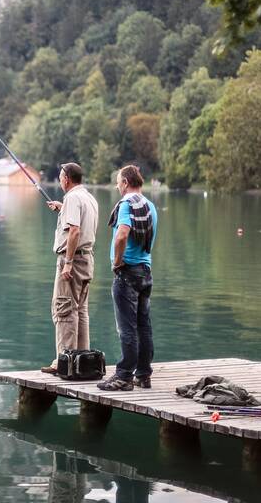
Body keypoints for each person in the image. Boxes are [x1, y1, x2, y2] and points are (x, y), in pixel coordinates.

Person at [97, 164, 158, 392]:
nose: (116, 185)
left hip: (128, 273)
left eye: (118, 181)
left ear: (125, 183)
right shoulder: (150, 206)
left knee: (127, 328)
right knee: (144, 326)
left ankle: (123, 376)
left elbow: (122, 234)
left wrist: (117, 261)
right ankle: (143, 375)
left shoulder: (126, 204)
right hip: (145, 272)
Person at [40, 162, 99, 375]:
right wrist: (62, 208)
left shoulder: (72, 198)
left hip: (72, 260)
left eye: (60, 176)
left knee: (64, 309)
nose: (59, 179)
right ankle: (82, 361)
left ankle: (63, 362)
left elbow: (74, 231)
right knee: (80, 310)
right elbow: (82, 224)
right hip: (87, 259)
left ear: (66, 179)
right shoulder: (88, 198)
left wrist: (68, 262)